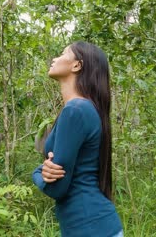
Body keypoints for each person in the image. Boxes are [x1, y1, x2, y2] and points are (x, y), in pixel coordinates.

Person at [32, 41, 123, 237]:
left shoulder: (76, 110)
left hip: (90, 228)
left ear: (76, 65)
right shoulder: (84, 109)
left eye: (63, 53)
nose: (54, 59)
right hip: (94, 227)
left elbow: (57, 187)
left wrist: (37, 173)